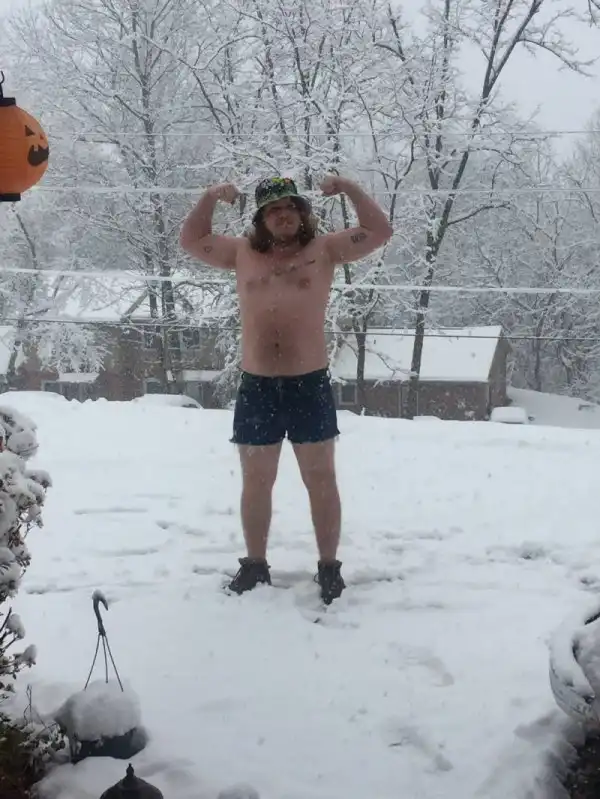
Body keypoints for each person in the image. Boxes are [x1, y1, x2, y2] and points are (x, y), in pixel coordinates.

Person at [180, 174, 393, 604]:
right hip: (257, 386)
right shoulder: (241, 253)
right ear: (261, 218)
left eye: (291, 207)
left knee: (321, 478)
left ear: (302, 212)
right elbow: (191, 239)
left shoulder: (324, 250)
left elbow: (379, 231)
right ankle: (255, 564)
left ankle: (329, 568)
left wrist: (349, 187)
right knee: (257, 481)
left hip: (308, 384)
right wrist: (209, 196)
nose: (284, 215)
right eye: (274, 209)